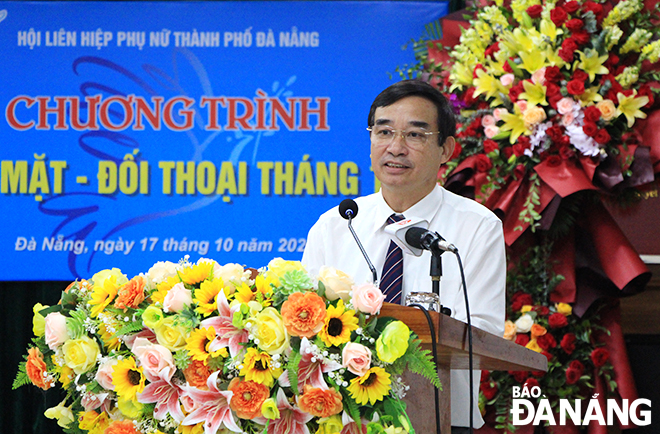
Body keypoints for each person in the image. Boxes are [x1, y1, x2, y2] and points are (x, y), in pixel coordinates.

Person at [301, 79, 506, 432]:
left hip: (441, 419)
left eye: (415, 135)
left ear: (446, 149)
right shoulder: (336, 224)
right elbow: (302, 325)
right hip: (343, 420)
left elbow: (483, 333)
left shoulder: (477, 227)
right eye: (383, 132)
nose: (395, 148)